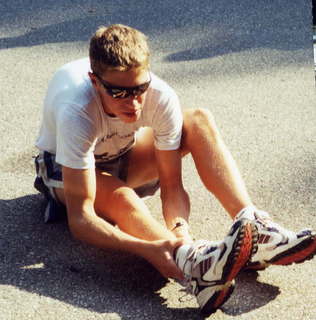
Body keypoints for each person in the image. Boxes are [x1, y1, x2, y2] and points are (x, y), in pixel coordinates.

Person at [34, 24, 315, 316]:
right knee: (122, 197)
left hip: (123, 153)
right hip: (65, 170)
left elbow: (171, 185)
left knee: (197, 120)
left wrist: (180, 230)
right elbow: (81, 218)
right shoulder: (77, 111)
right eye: (119, 92)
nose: (134, 102)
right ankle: (190, 266)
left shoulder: (159, 94)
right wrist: (148, 249)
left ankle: (255, 227)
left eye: (140, 88)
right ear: (95, 82)